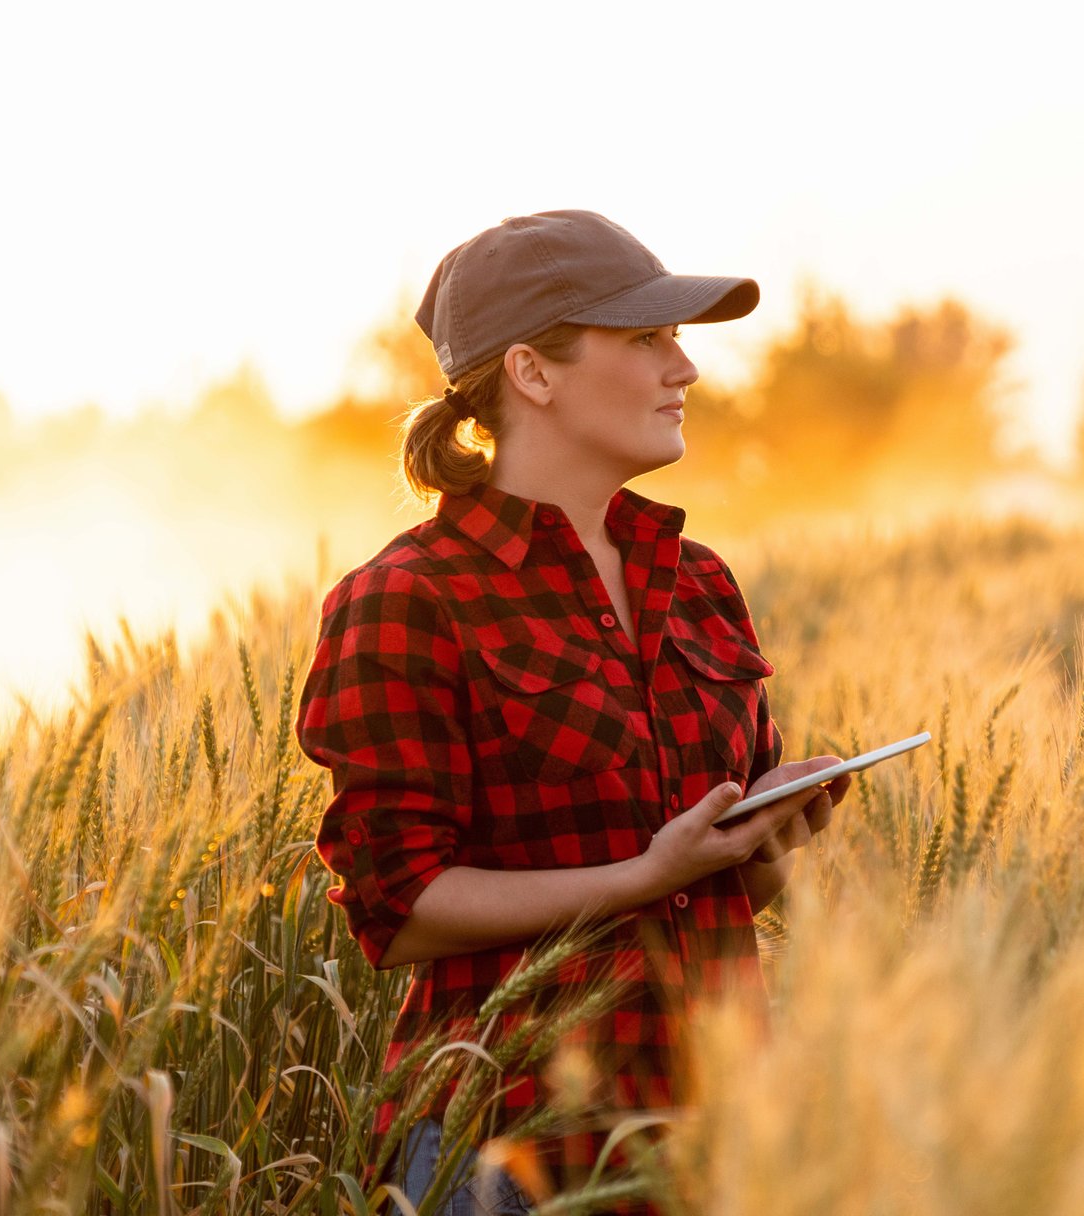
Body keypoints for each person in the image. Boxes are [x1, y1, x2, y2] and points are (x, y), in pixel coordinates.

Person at [294, 210, 849, 1214]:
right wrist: (644, 875)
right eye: (646, 338)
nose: (685, 368)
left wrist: (767, 841)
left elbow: (716, 899)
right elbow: (400, 908)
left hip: (712, 1139)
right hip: (507, 1154)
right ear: (532, 372)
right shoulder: (409, 598)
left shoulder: (699, 582)